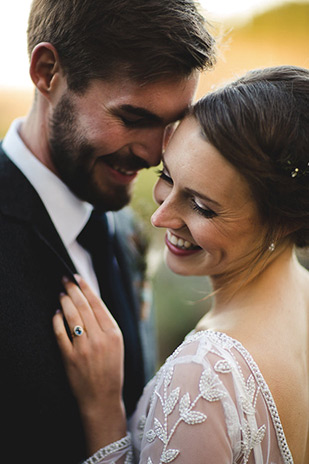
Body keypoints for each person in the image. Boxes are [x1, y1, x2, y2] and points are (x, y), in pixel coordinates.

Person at [54, 65, 309, 464]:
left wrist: (103, 412)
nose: (160, 218)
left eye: (202, 206)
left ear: (286, 219)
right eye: (167, 176)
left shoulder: (204, 377)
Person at [0, 1, 216, 462]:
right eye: (134, 119)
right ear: (46, 72)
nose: (154, 153)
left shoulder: (127, 225)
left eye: (171, 124)